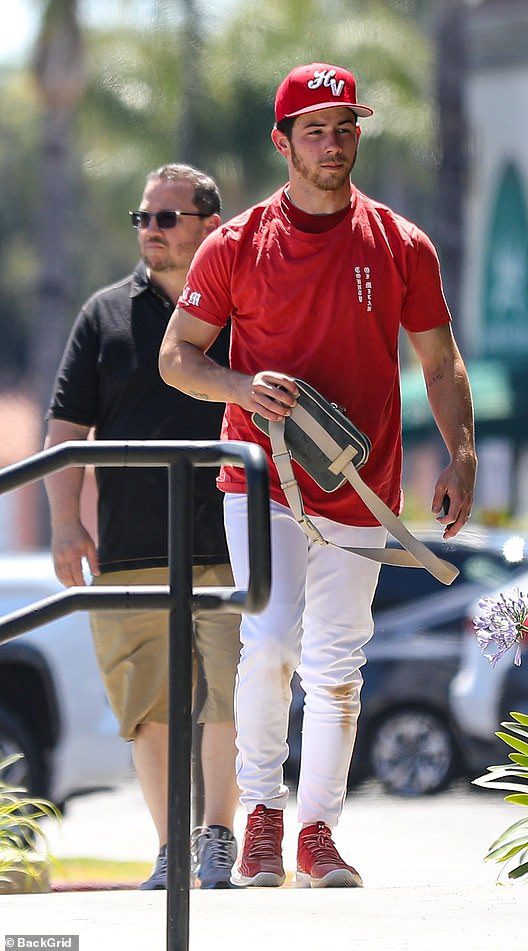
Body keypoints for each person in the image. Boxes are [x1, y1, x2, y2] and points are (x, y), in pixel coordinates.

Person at [159, 64, 477, 888]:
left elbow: (440, 362)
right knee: (267, 644)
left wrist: (463, 450)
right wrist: (238, 385)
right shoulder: (236, 244)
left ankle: (318, 832)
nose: (332, 144)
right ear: (283, 142)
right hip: (260, 480)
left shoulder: (402, 243)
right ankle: (261, 812)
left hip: (363, 482)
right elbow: (177, 357)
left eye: (344, 127)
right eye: (314, 130)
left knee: (339, 661)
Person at [44, 163, 241, 890]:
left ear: (209, 224)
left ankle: (218, 837)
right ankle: (173, 848)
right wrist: (67, 520)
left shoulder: (242, 305)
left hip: (229, 543)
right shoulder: (102, 315)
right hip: (128, 550)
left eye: (167, 217)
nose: (150, 230)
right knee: (148, 707)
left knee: (230, 695)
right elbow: (66, 426)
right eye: (143, 218)